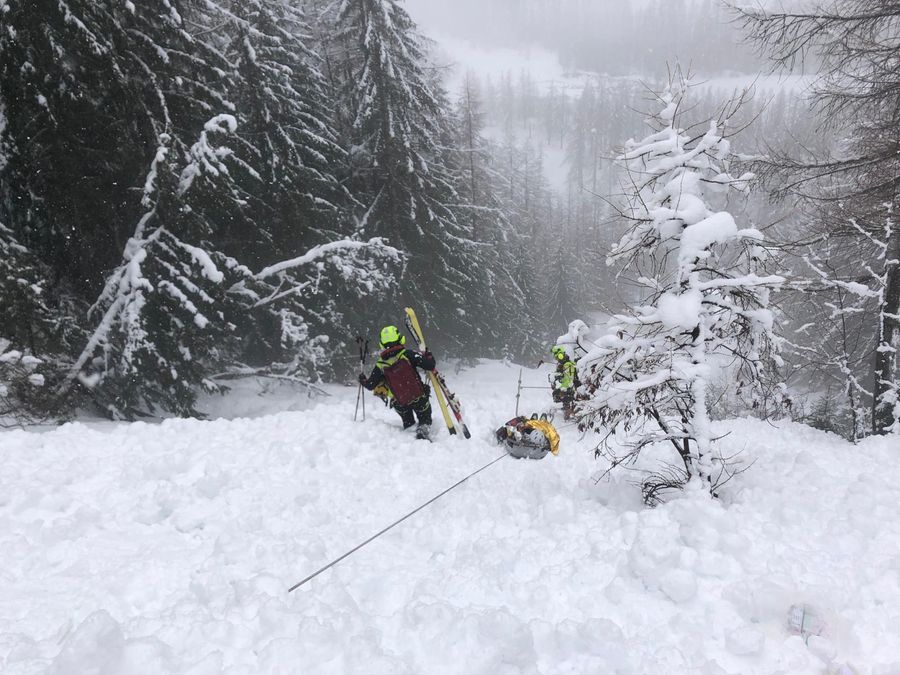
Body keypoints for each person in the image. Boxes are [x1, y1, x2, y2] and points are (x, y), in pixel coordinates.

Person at [359, 325, 436, 439]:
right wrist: (428, 355)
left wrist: (362, 379)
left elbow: (370, 385)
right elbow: (430, 365)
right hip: (418, 396)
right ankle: (423, 428)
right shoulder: (408, 354)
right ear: (400, 338)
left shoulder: (381, 364)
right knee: (425, 418)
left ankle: (409, 434)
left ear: (382, 344)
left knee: (408, 423)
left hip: (400, 402)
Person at [550, 345, 578, 420]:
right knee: (557, 394)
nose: (557, 359)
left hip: (570, 388)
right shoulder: (561, 364)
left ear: (561, 355)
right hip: (566, 386)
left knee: (563, 395)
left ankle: (568, 413)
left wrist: (559, 384)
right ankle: (566, 409)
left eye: (557, 357)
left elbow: (569, 380)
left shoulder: (568, 364)